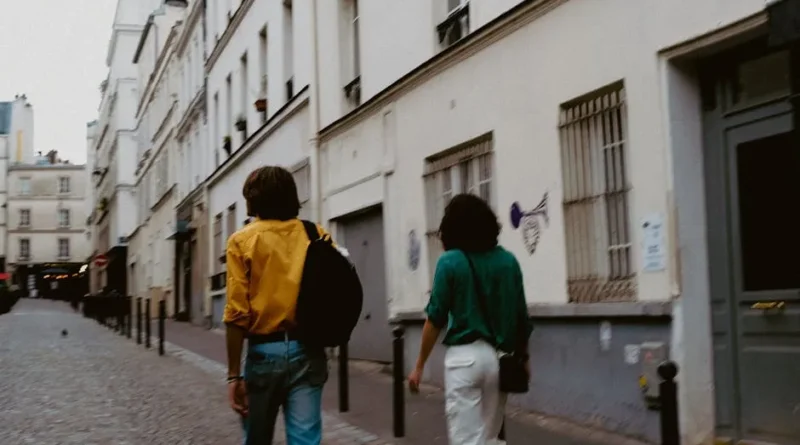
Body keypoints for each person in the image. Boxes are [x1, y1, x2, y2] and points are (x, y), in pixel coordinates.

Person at [408, 194, 533, 445]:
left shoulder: (450, 262)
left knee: (466, 440)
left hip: (464, 360)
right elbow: (522, 319)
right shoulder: (508, 262)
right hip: (500, 361)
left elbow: (435, 319)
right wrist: (525, 358)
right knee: (489, 438)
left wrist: (419, 364)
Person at [224, 166, 330, 445]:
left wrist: (234, 374)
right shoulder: (316, 234)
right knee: (306, 439)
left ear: (253, 200)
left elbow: (236, 314)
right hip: (308, 350)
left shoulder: (241, 241)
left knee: (257, 439)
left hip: (263, 353)